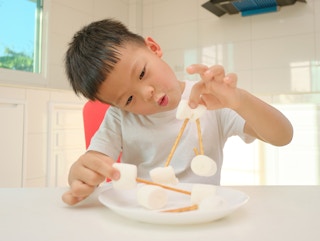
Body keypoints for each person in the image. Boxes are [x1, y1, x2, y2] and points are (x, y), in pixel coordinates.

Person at [62, 18, 293, 205]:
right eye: (129, 99)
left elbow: (283, 136)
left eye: (142, 73)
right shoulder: (120, 117)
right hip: (145, 212)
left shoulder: (210, 99)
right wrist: (79, 175)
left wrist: (239, 100)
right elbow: (93, 160)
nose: (147, 92)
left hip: (202, 212)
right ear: (117, 106)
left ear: (153, 48)